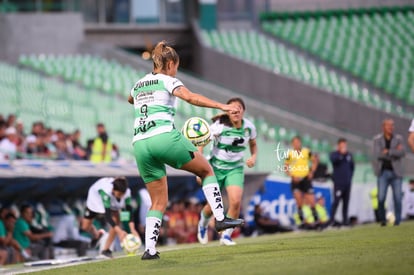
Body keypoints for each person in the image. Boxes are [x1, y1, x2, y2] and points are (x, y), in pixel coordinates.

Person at [128, 41, 244, 260]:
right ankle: (220, 218)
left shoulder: (139, 83)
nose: (176, 71)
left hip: (140, 144)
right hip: (163, 137)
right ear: (170, 63)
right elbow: (190, 97)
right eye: (176, 67)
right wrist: (223, 106)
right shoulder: (168, 80)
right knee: (207, 170)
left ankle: (150, 250)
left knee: (158, 202)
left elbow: (130, 98)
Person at [197, 97, 257, 246]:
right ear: (227, 111)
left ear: (243, 111)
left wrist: (253, 157)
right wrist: (199, 168)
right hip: (215, 168)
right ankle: (202, 225)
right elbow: (201, 143)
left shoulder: (249, 127)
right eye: (232, 108)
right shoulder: (218, 126)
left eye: (238, 108)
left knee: (236, 202)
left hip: (235, 168)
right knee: (212, 207)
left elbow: (253, 144)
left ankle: (226, 236)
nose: (235, 111)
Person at [80, 177, 138, 258]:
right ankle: (97, 235)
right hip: (95, 199)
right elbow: (107, 217)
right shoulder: (106, 191)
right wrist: (120, 232)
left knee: (117, 220)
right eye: (119, 194)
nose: (121, 197)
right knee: (85, 227)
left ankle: (106, 250)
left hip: (111, 202)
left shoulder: (127, 192)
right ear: (113, 190)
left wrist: (132, 229)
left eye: (122, 195)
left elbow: (128, 211)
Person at [373, 119, 405, 226]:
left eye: (392, 125)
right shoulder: (377, 139)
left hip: (396, 173)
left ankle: (398, 221)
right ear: (383, 127)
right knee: (381, 198)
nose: (391, 127)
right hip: (383, 172)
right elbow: (378, 154)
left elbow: (402, 152)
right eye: (388, 125)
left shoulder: (398, 138)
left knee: (398, 198)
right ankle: (382, 220)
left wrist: (388, 151)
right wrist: (394, 152)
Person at [284, 136, 319, 228]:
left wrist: (312, 172)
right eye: (294, 142)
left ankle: (316, 221)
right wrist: (292, 176)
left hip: (306, 179)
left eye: (298, 142)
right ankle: (302, 221)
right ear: (292, 144)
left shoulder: (306, 151)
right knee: (299, 200)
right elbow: (286, 167)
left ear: (300, 143)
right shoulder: (290, 154)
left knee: (311, 200)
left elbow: (315, 160)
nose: (296, 144)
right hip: (296, 180)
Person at [329, 138, 354, 226]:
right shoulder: (334, 154)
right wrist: (341, 155)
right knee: (336, 202)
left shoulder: (349, 155)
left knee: (346, 203)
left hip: (347, 183)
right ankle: (331, 220)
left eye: (345, 145)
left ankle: (345, 221)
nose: (344, 147)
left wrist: (350, 178)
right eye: (342, 145)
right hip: (338, 183)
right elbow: (333, 161)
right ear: (338, 145)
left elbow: (352, 167)